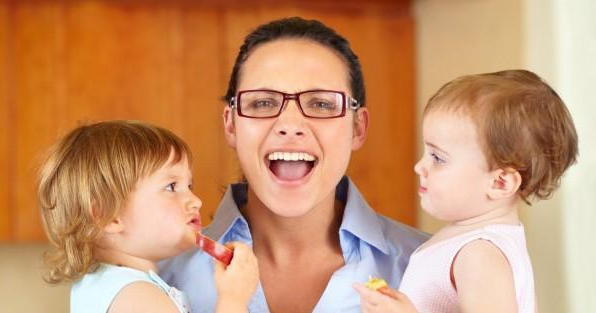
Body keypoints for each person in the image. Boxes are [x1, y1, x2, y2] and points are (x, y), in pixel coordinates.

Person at [159, 17, 427, 313]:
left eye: (321, 104)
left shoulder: (433, 267)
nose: (289, 124)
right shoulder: (157, 275)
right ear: (231, 124)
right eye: (263, 102)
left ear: (358, 128)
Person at [354, 69, 579, 313]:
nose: (419, 166)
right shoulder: (481, 244)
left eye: (438, 158)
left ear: (500, 183)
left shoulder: (480, 255)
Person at [38, 120, 259, 313]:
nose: (196, 201)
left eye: (189, 185)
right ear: (108, 216)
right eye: (172, 187)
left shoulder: (104, 285)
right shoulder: (137, 297)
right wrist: (233, 299)